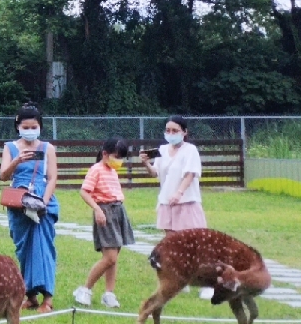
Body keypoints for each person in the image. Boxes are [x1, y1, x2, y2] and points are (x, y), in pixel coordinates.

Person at [0, 103, 58, 312]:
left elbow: (52, 178)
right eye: (26, 127)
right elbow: (3, 175)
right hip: (19, 202)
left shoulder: (47, 148)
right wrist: (17, 160)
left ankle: (47, 299)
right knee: (24, 250)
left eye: (34, 127)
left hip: (42, 201)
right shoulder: (10, 147)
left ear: (40, 126)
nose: (30, 131)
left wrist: (44, 201)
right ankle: (31, 296)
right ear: (18, 127)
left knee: (44, 248)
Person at [74, 137, 134, 309]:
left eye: (121, 157)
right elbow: (84, 192)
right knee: (109, 257)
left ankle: (109, 293)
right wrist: (98, 210)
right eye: (116, 156)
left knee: (114, 259)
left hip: (118, 212)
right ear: (105, 154)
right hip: (105, 212)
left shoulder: (111, 171)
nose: (119, 161)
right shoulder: (96, 170)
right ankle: (85, 289)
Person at [141, 115, 207, 232]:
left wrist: (179, 193)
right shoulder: (162, 150)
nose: (171, 133)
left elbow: (190, 174)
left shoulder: (190, 150)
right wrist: (146, 163)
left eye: (175, 131)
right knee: (171, 243)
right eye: (168, 130)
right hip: (167, 202)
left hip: (186, 202)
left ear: (184, 132)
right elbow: (155, 172)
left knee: (188, 240)